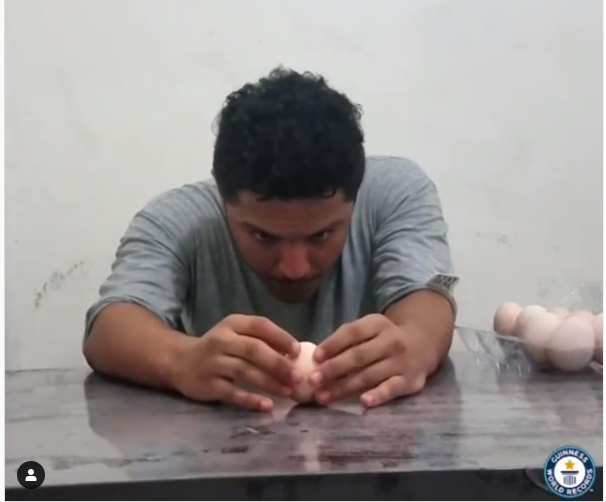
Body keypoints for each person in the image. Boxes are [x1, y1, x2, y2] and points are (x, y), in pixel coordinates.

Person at [82, 67, 457, 412]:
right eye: (263, 236)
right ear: (223, 200)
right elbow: (110, 326)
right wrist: (180, 361)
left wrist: (416, 345)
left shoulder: (397, 193)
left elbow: (426, 301)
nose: (295, 269)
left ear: (355, 199)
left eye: (321, 235)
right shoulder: (177, 219)